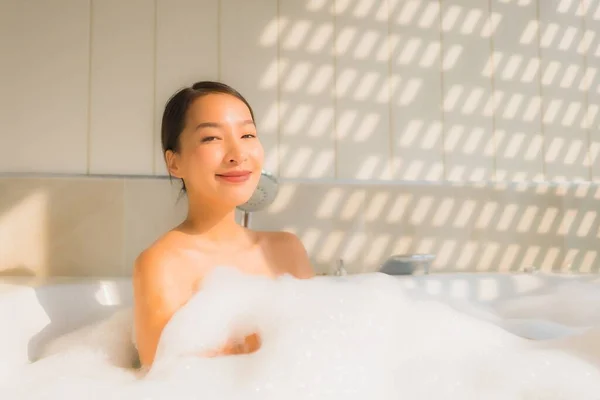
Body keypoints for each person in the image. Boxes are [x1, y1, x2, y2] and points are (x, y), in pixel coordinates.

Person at [133, 81, 315, 368]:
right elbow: (166, 385)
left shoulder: (287, 250)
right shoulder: (160, 264)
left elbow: (320, 358)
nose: (237, 154)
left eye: (247, 134)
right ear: (174, 162)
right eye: (211, 138)